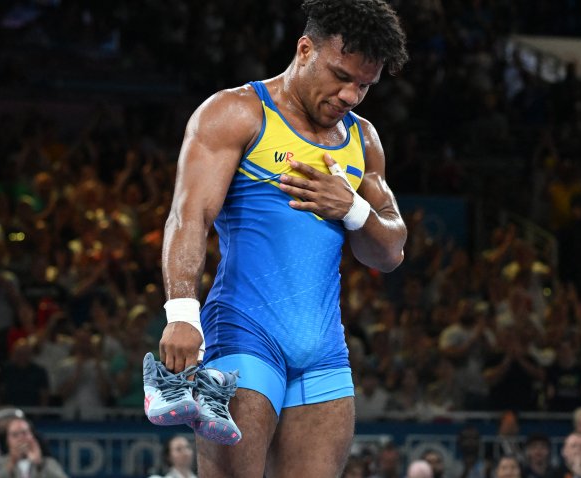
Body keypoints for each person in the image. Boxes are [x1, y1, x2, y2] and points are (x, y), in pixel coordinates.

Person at [156, 0, 408, 477]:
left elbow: (391, 250)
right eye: (341, 75)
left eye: (364, 85)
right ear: (305, 48)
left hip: (324, 350)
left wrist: (350, 207)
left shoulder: (363, 140)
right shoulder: (234, 113)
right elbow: (189, 218)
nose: (351, 95)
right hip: (242, 334)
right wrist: (183, 313)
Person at [0, 417, 67, 478]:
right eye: (15, 435)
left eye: (24, 433)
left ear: (32, 436)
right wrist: (11, 464)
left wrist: (39, 465)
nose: (21, 438)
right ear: (7, 440)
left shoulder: (48, 463)